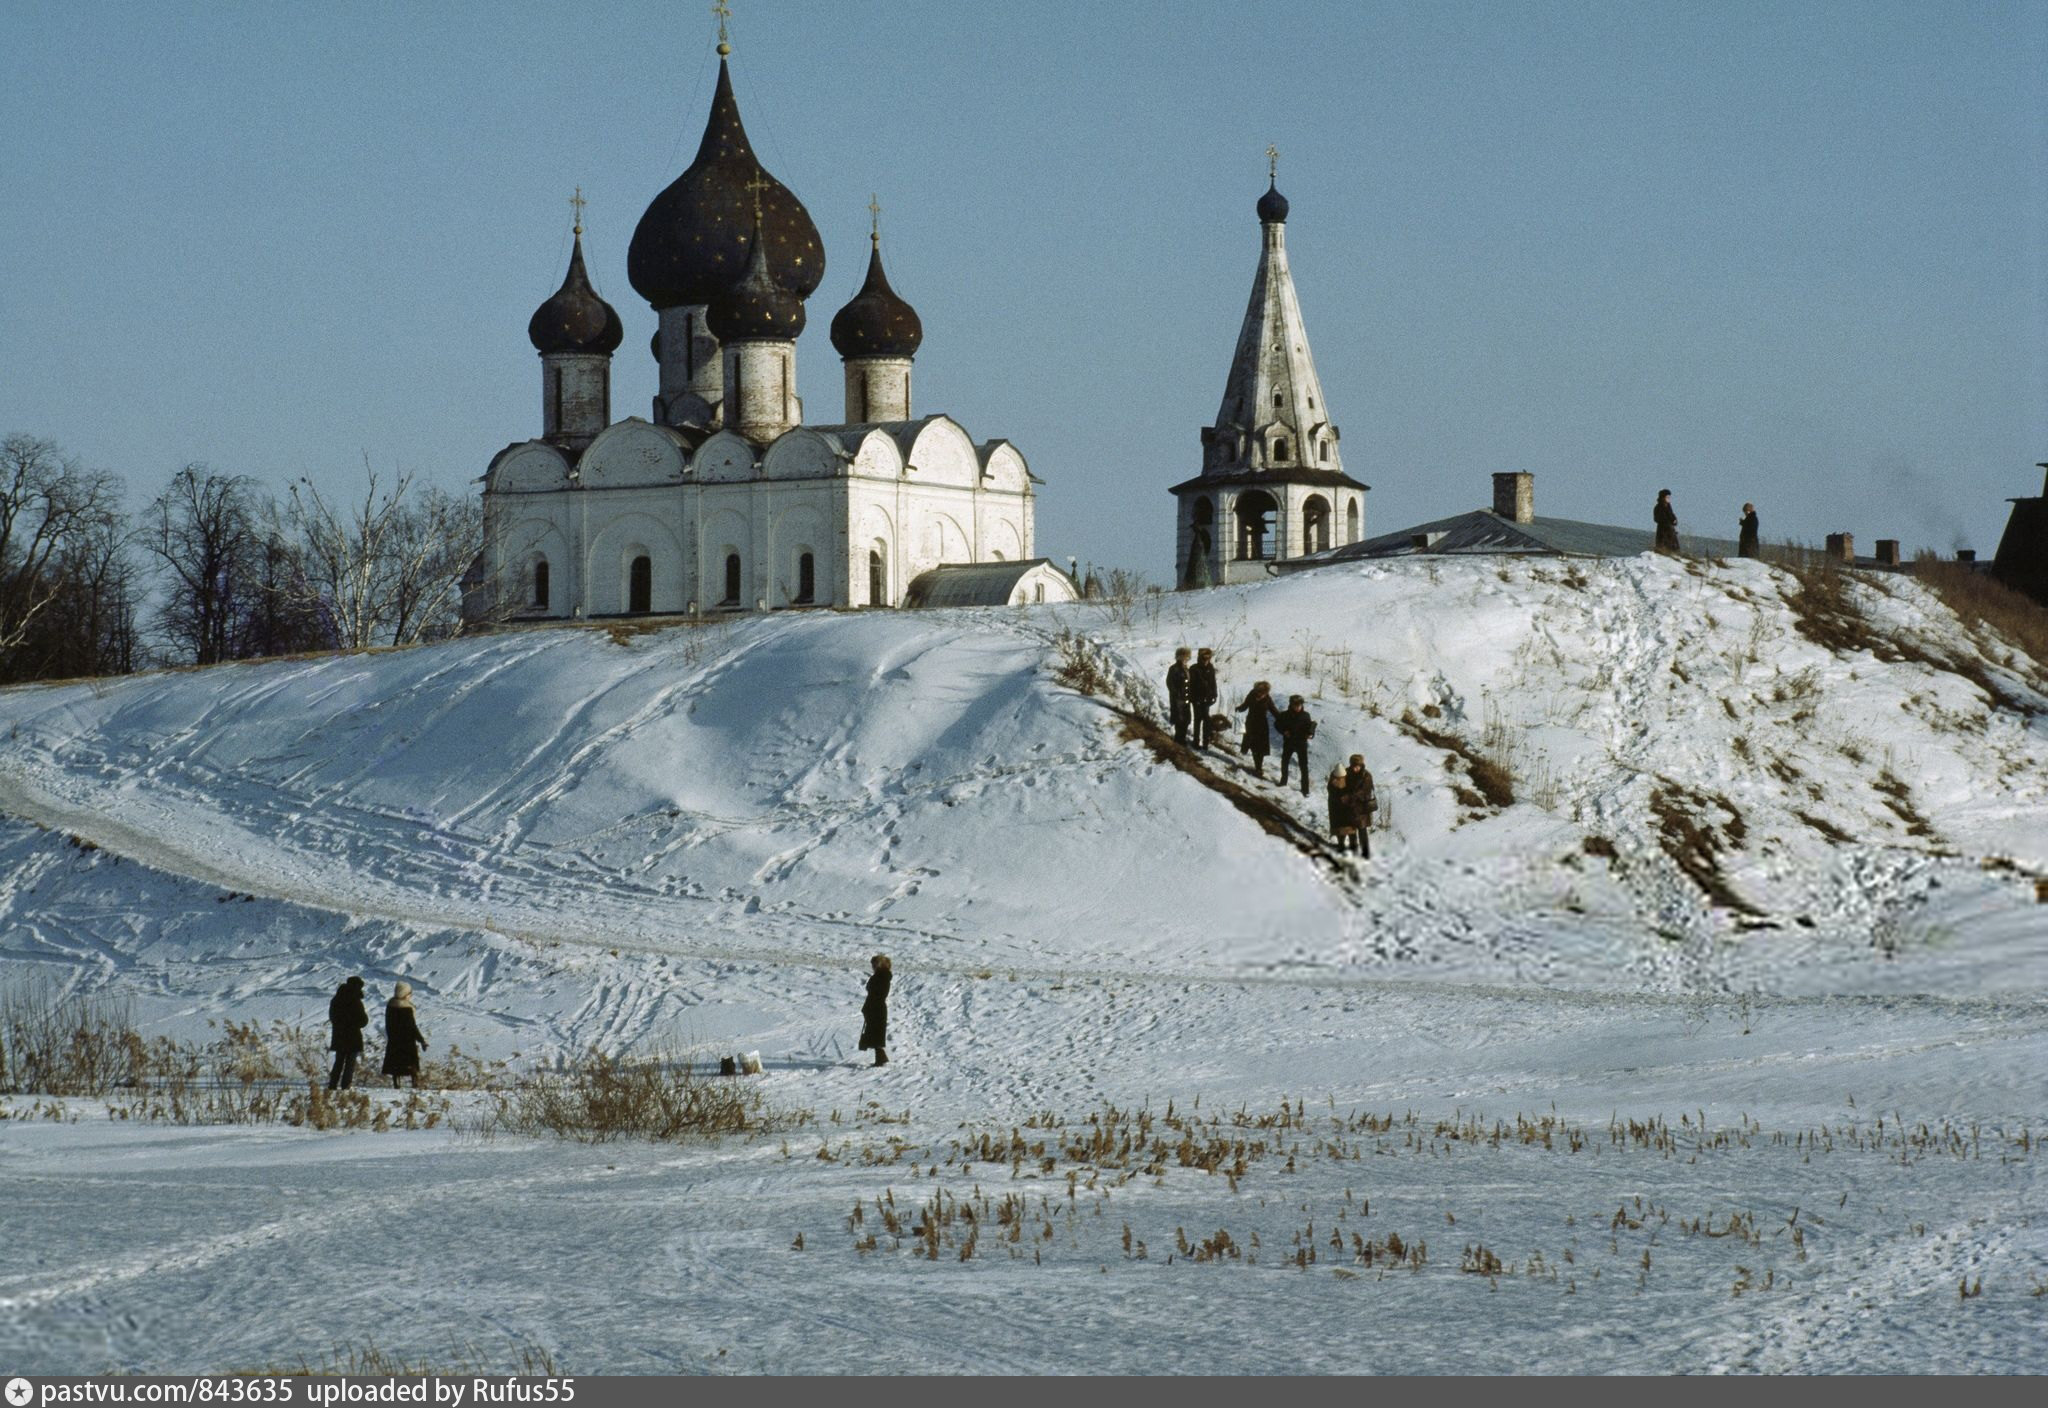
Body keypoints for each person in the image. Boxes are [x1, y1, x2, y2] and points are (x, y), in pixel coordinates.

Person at [381, 981, 428, 1089]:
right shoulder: (407, 1008)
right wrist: (421, 1040)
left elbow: (388, 1025)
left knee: (395, 1065)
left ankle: (396, 1083)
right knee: (411, 1065)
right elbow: (412, 1027)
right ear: (405, 994)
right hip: (407, 1041)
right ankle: (414, 1084)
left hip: (394, 1039)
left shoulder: (390, 1006)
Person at [326, 976, 368, 1091]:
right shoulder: (356, 1001)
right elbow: (363, 1021)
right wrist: (353, 1023)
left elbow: (333, 1017)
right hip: (353, 1036)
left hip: (339, 1035)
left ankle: (332, 1084)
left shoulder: (336, 999)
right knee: (350, 1063)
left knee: (338, 1061)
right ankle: (346, 1085)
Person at [1275, 695, 1317, 795]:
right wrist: (1284, 731)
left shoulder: (1306, 715)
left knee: (1304, 767)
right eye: (1295, 705)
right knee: (1285, 762)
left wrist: (1311, 734)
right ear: (1291, 705)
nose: (1298, 707)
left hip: (1301, 743)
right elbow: (1277, 724)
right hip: (1289, 742)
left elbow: (1310, 728)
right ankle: (1283, 782)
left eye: (1300, 705)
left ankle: (1305, 789)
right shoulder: (1285, 714)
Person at [1236, 681, 1279, 778]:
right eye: (1260, 692)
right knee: (1252, 745)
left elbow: (1274, 711)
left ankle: (1258, 767)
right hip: (1251, 724)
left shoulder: (1268, 699)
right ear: (1257, 691)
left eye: (1264, 693)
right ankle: (1255, 763)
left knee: (1260, 748)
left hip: (1262, 726)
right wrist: (1238, 709)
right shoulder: (1251, 695)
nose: (1262, 695)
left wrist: (1282, 719)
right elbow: (1245, 705)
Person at [858, 954, 892, 1068]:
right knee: (875, 1034)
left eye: (874, 964)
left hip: (876, 1008)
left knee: (875, 1034)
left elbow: (877, 992)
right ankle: (880, 1058)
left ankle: (881, 1059)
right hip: (876, 1007)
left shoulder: (881, 976)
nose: (872, 966)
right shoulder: (882, 975)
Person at [1344, 754, 1376, 860]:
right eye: (1353, 765)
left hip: (1361, 809)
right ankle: (1353, 851)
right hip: (1349, 808)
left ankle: (1365, 853)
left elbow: (1365, 792)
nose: (1355, 768)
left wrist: (1350, 796)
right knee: (1351, 831)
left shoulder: (1366, 776)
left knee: (1362, 831)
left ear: (1361, 765)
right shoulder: (1347, 773)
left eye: (1357, 766)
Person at [1188, 648, 1219, 747]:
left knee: (1206, 720)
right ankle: (1196, 741)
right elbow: (1190, 685)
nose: (1206, 660)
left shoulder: (1211, 668)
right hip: (1197, 698)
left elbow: (1213, 683)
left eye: (1208, 658)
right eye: (1204, 658)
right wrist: (1193, 698)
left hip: (1207, 698)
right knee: (1197, 720)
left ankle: (1205, 742)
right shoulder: (1194, 668)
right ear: (1200, 658)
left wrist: (1214, 694)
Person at [1166, 648, 1193, 745]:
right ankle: (1178, 739)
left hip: (1186, 698)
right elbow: (1170, 683)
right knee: (1179, 719)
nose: (1186, 659)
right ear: (1179, 657)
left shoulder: (1187, 669)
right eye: (1184, 657)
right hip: (1177, 699)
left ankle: (1183, 738)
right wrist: (1176, 694)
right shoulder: (1174, 669)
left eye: (1187, 657)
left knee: (1186, 719)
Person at [1326, 767, 1356, 853]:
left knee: (1351, 829)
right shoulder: (1333, 782)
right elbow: (1332, 794)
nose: (1341, 779)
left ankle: (1353, 848)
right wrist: (1342, 798)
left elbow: (1352, 790)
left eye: (1342, 777)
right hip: (1337, 809)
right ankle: (1341, 847)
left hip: (1348, 809)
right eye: (1340, 777)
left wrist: (1349, 798)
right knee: (1340, 829)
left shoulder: (1348, 778)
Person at [1653, 490, 1680, 555]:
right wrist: (1667, 522)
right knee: (1663, 548)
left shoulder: (1668, 507)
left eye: (1669, 497)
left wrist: (1674, 520)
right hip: (1663, 531)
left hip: (1671, 530)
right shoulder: (1658, 507)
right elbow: (1657, 519)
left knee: (1675, 549)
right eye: (1667, 497)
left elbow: (1672, 515)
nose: (1669, 499)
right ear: (1663, 498)